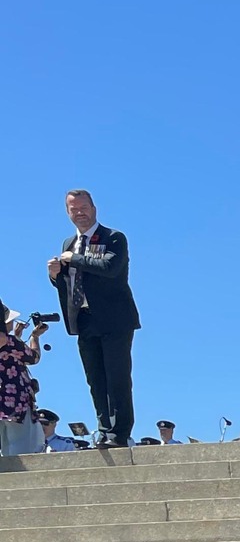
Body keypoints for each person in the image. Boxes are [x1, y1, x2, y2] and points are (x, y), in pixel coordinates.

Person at [45, 189, 140, 447]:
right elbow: (73, 282)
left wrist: (74, 259)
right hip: (84, 320)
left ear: (94, 209)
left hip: (115, 320)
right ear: (67, 213)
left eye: (83, 207)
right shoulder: (68, 243)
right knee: (95, 379)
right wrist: (55, 276)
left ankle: (120, 433)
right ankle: (104, 430)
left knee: (117, 377)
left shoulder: (113, 237)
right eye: (74, 209)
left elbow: (110, 268)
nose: (80, 213)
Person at [0, 304, 46, 456]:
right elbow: (34, 357)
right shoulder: (11, 341)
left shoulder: (12, 341)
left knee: (6, 447)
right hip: (16, 401)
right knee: (23, 445)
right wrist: (34, 337)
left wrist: (18, 336)